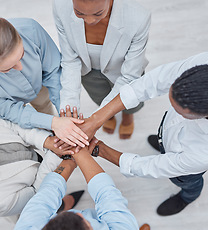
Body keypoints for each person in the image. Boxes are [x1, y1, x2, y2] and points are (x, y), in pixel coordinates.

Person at [76, 52, 208, 216]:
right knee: (165, 140)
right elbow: (153, 82)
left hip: (186, 170)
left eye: (180, 111)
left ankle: (187, 198)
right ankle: (163, 143)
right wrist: (97, 119)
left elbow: (153, 167)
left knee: (188, 182)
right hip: (171, 136)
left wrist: (100, 149)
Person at [0, 17, 89, 147]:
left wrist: (64, 113)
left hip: (40, 83)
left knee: (44, 106)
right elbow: (10, 111)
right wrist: (52, 123)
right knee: (24, 131)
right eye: (8, 69)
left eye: (22, 55)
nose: (20, 68)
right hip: (7, 104)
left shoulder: (32, 30)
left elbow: (53, 72)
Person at [9, 118, 150, 230]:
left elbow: (45, 196)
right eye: (88, 224)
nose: (82, 215)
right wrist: (80, 152)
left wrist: (72, 156)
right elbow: (108, 196)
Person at [53, 0, 151, 139]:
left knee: (131, 103)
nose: (89, 21)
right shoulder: (60, 6)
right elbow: (70, 60)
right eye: (79, 13)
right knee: (99, 97)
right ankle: (109, 116)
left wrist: (97, 118)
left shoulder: (138, 17)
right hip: (88, 71)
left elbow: (130, 76)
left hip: (125, 70)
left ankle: (128, 116)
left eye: (98, 13)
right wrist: (69, 108)